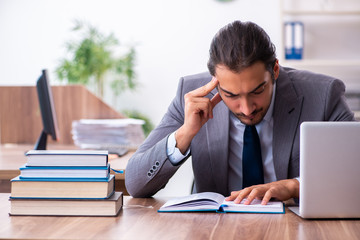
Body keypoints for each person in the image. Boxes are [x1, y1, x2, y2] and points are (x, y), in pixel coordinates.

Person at [125, 20, 354, 205]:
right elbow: (135, 183)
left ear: (274, 70)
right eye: (231, 95)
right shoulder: (191, 95)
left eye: (257, 91)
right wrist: (185, 134)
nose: (246, 109)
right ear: (214, 81)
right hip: (216, 230)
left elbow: (354, 175)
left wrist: (294, 186)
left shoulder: (324, 95)